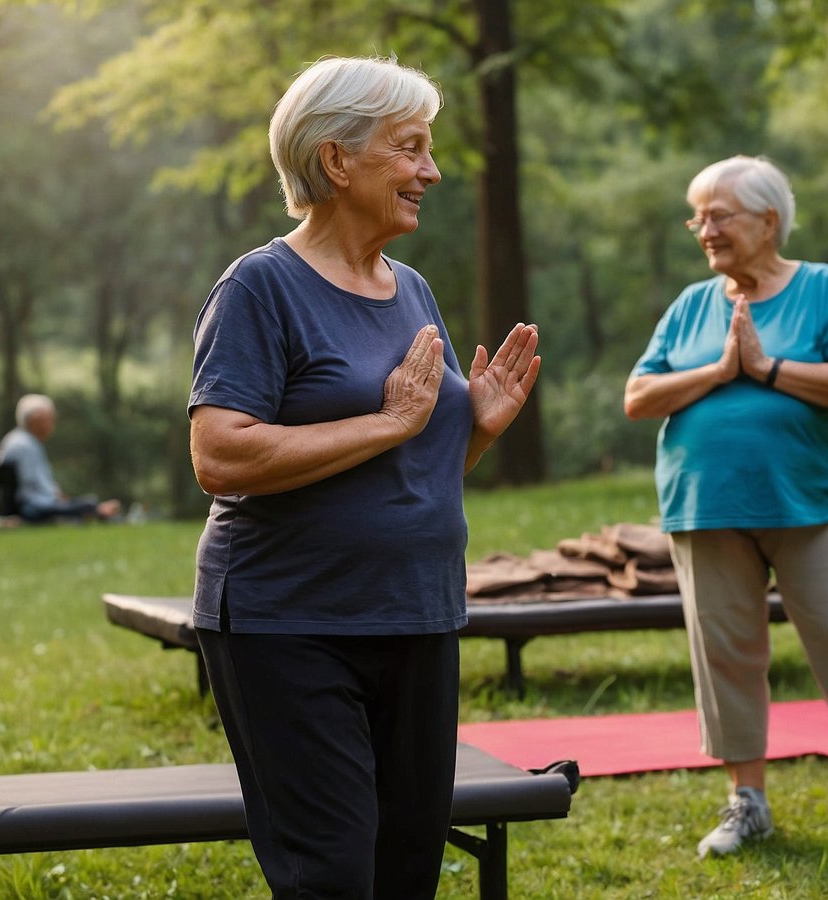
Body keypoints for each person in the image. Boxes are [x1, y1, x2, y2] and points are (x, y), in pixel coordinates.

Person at [187, 56, 540, 898]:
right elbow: (219, 454)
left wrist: (475, 430)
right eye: (411, 148)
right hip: (289, 622)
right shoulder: (259, 287)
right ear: (337, 161)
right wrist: (385, 422)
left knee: (407, 866)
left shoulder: (410, 289)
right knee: (333, 874)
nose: (432, 170)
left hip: (417, 613)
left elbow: (412, 461)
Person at [624, 155, 828, 857]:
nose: (704, 229)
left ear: (768, 221)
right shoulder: (692, 304)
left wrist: (769, 369)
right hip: (705, 503)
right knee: (727, 656)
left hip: (810, 502)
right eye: (698, 217)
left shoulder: (820, 289)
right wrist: (719, 370)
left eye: (719, 215)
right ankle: (747, 802)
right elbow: (638, 397)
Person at [0, 393, 121, 523]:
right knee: (85, 505)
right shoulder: (24, 445)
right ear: (35, 419)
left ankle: (96, 510)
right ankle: (97, 511)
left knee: (83, 503)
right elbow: (31, 488)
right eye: (50, 419)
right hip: (29, 508)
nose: (53, 424)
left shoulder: (20, 440)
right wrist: (61, 500)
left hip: (29, 504)